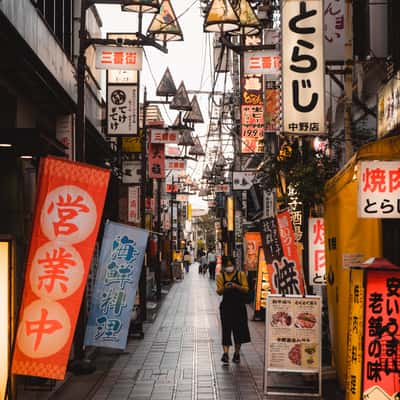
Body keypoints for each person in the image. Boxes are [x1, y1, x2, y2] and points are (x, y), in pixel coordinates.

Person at [216, 258, 251, 364]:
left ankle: (236, 353)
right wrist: (225, 288)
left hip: (239, 307)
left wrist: (236, 286)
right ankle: (225, 354)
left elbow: (246, 288)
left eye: (231, 265)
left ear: (234, 266)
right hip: (226, 307)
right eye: (227, 265)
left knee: (238, 331)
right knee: (226, 330)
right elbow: (218, 291)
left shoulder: (240, 275)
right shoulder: (221, 276)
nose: (229, 267)